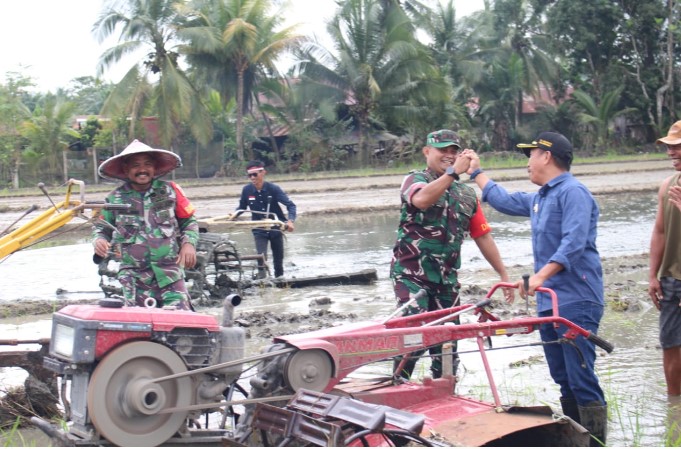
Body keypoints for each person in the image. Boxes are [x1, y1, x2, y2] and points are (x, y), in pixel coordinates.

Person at [464, 131, 607, 446]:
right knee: (563, 379)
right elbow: (503, 200)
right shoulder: (541, 198)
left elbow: (574, 241)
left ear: (546, 155)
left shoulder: (574, 193)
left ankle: (597, 442)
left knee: (581, 379)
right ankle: (576, 441)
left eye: (530, 155)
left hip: (576, 299)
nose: (527, 162)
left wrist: (540, 276)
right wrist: (476, 172)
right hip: (550, 302)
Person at [390, 129, 513, 381]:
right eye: (442, 150)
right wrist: (452, 172)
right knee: (414, 333)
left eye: (453, 151)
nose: (448, 155)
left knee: (447, 342)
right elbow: (422, 200)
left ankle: (444, 393)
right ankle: (397, 387)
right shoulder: (414, 179)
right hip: (411, 274)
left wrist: (503, 273)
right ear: (427, 152)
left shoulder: (466, 195)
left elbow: (482, 236)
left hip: (446, 279)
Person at [93, 139, 198, 310]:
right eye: (135, 165)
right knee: (140, 326)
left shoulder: (170, 191)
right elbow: (101, 228)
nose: (142, 169)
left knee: (181, 324)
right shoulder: (114, 198)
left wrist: (188, 244)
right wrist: (99, 241)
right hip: (134, 279)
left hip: (169, 274)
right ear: (126, 170)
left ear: (154, 167)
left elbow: (189, 221)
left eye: (147, 164)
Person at [649, 120, 681, 398]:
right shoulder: (667, 186)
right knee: (670, 343)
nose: (672, 152)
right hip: (672, 280)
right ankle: (675, 407)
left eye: (678, 146)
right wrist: (652, 275)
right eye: (669, 147)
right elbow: (659, 231)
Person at [235, 160, 296, 278]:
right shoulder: (246, 190)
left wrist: (290, 221)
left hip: (276, 228)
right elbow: (241, 208)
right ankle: (262, 281)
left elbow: (291, 205)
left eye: (255, 174)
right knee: (261, 257)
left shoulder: (273, 189)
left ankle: (280, 282)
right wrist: (233, 217)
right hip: (259, 229)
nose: (252, 178)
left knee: (278, 260)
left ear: (263, 173)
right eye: (249, 175)